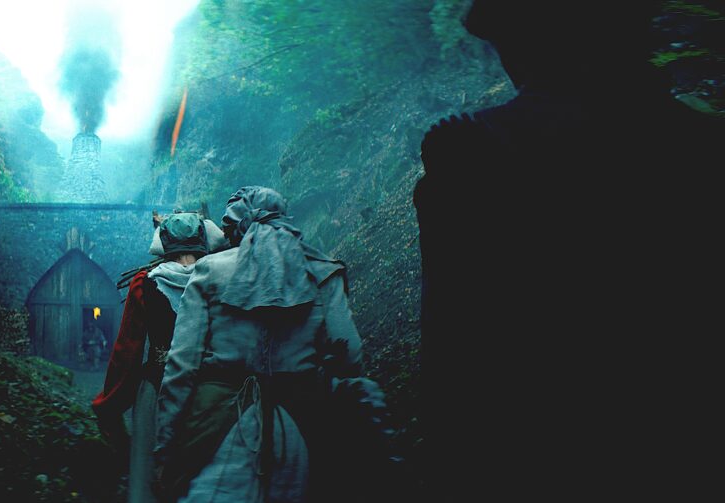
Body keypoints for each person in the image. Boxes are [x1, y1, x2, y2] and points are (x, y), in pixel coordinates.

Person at [413, 1, 722, 500]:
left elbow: (458, 365)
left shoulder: (471, 152)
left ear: (523, 45)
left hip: (554, 457)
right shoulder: (702, 138)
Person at [152, 187, 375, 502]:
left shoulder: (209, 271)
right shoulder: (322, 271)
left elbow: (181, 367)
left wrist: (165, 445)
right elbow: (350, 356)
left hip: (218, 421)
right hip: (299, 421)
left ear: (236, 227)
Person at [93, 212, 227, 503]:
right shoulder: (221, 276)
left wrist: (109, 403)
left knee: (149, 479)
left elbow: (127, 351)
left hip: (156, 393)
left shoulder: (145, 283)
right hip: (212, 395)